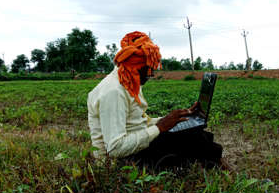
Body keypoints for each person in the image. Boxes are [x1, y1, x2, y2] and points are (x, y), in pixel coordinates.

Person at [87, 31, 223, 169]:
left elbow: (136, 124)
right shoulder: (114, 92)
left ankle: (215, 166)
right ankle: (221, 170)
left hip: (134, 149)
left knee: (195, 133)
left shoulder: (129, 80)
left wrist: (173, 118)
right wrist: (159, 127)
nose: (150, 75)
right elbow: (115, 149)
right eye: (149, 70)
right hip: (122, 162)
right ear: (137, 67)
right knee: (192, 140)